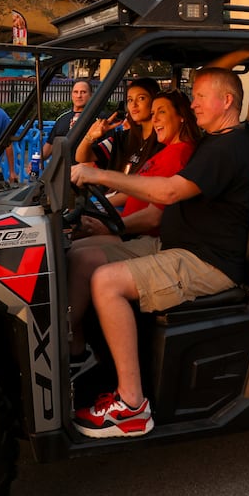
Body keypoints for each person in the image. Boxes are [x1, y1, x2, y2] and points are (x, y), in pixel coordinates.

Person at [68, 68, 249, 438]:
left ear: (227, 101)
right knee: (81, 255)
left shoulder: (229, 147)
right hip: (174, 245)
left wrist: (100, 176)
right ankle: (77, 354)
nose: (193, 103)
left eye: (201, 96)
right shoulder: (212, 141)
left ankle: (132, 405)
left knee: (107, 282)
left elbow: (168, 193)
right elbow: (161, 204)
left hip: (207, 261)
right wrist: (110, 222)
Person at [66, 91, 201, 363]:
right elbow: (132, 190)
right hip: (127, 230)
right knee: (70, 248)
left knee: (79, 258)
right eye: (155, 113)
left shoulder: (179, 155)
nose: (154, 118)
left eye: (161, 112)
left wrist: (112, 227)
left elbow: (154, 217)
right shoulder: (163, 152)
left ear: (182, 117)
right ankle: (75, 341)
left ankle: (64, 338)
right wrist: (98, 207)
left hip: (144, 237)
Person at [76, 77, 160, 174]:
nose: (134, 104)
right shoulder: (123, 138)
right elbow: (81, 157)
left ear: (154, 101)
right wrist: (90, 136)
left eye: (141, 98)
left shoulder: (162, 140)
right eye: (130, 100)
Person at [42, 78, 92, 162]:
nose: (79, 96)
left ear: (90, 95)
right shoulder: (62, 117)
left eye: (83, 92)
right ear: (71, 95)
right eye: (76, 92)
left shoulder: (98, 118)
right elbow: (50, 144)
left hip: (87, 170)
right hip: (63, 169)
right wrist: (36, 160)